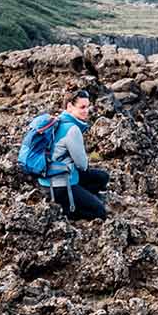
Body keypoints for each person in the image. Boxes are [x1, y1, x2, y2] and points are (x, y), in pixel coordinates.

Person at [39, 89, 109, 220]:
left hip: (45, 182)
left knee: (101, 177)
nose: (86, 111)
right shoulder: (72, 129)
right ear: (69, 106)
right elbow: (82, 165)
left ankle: (80, 198)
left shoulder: (56, 121)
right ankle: (64, 211)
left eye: (88, 106)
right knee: (100, 212)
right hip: (60, 186)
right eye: (82, 107)